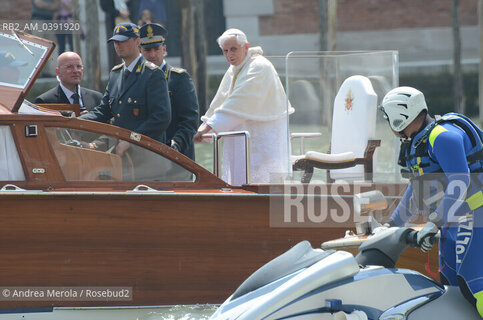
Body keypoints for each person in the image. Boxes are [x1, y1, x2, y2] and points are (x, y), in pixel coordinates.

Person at [380, 86, 483, 317]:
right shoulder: (418, 142)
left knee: (475, 286)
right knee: (450, 285)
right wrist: (392, 226)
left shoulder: (443, 137)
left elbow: (460, 182)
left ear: (399, 117)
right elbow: (416, 189)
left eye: (389, 119)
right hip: (452, 221)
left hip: (475, 217)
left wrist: (433, 223)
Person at [193, 28, 294, 184]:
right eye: (225, 51)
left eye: (233, 49)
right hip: (242, 135)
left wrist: (208, 127)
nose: (229, 55)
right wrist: (206, 123)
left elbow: (239, 100)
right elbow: (221, 99)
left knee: (262, 179)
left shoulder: (259, 66)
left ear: (246, 47)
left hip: (262, 134)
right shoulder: (234, 68)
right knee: (239, 178)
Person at [80, 22, 171, 155]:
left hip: (148, 153)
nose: (118, 45)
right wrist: (74, 122)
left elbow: (161, 118)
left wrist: (131, 141)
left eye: (123, 41)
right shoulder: (115, 74)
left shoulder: (152, 74)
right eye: (115, 42)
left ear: (137, 41)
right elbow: (104, 111)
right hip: (122, 152)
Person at [139, 23, 198, 160]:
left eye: (156, 49)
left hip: (176, 157)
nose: (152, 54)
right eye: (148, 50)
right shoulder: (137, 81)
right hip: (144, 156)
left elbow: (190, 120)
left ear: (164, 49)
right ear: (140, 51)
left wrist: (175, 146)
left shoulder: (178, 78)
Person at [35, 52, 103, 114]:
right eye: (69, 67)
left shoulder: (97, 98)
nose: (76, 71)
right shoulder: (45, 101)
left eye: (78, 66)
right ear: (58, 71)